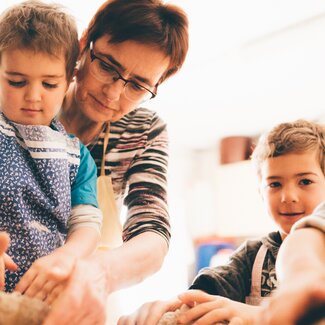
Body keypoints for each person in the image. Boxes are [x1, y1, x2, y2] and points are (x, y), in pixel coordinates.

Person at [8, 0, 190, 324]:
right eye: (107, 66)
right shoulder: (15, 111)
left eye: (137, 85)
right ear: (83, 47)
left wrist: (97, 272)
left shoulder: (142, 131)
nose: (114, 93)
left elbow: (152, 233)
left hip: (79, 302)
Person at [118, 119, 325, 325]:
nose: (288, 196)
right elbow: (204, 294)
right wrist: (165, 310)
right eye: (275, 184)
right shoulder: (252, 256)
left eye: (305, 182)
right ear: (260, 193)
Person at [0, 0, 102, 298]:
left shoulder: (77, 157)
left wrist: (68, 255)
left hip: (46, 299)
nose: (33, 96)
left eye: (49, 84)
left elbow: (86, 224)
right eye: (16, 82)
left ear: (70, 77)